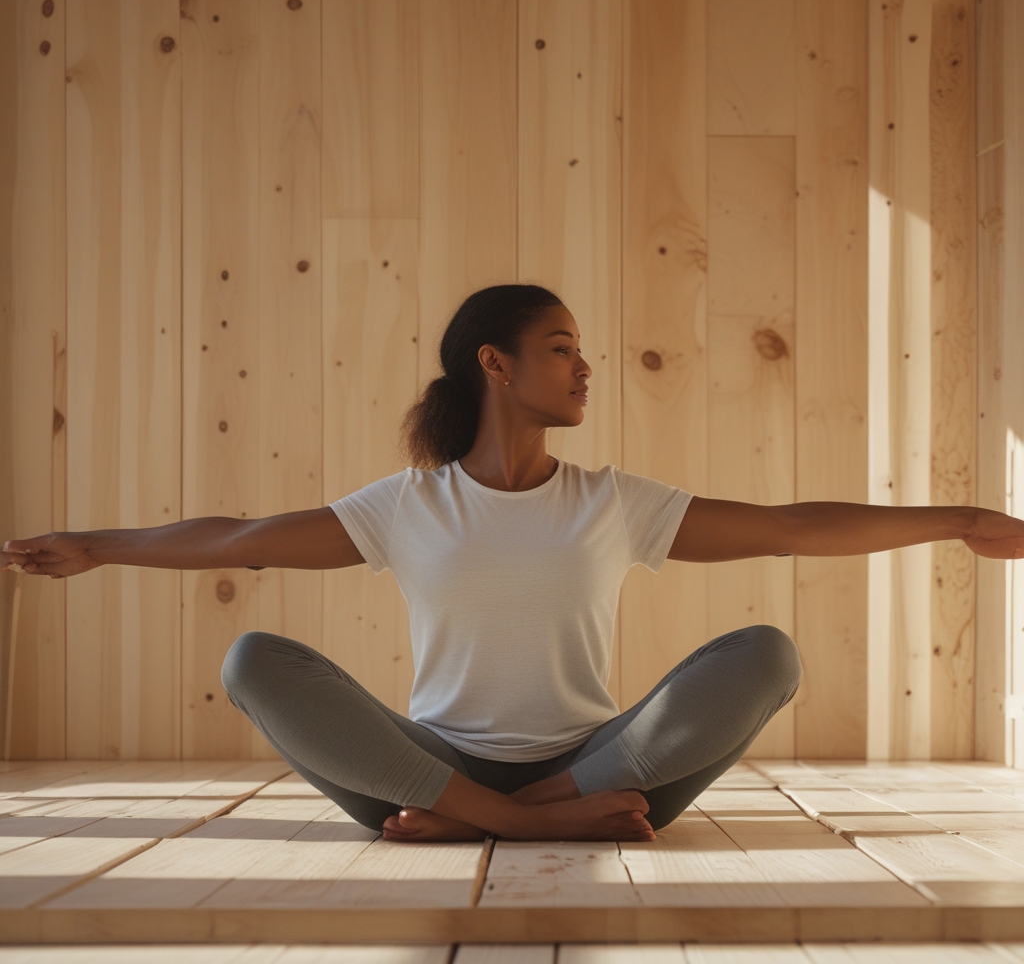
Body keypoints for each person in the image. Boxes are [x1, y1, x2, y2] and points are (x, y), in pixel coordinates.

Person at [3, 283, 1023, 845]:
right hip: (426, 774)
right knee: (254, 660)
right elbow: (235, 538)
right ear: (495, 363)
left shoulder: (610, 502)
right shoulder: (407, 506)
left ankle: (500, 820)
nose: (585, 367)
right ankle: (517, 818)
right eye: (560, 346)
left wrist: (958, 517)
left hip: (603, 771)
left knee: (764, 652)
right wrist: (97, 546)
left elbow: (788, 525)